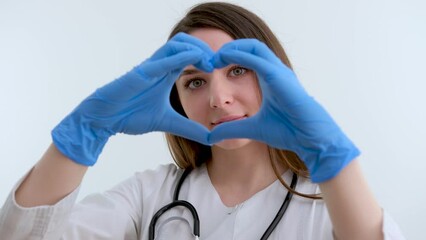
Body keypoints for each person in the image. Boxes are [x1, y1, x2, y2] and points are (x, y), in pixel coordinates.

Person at [0, 2, 405, 239]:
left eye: (236, 71)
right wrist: (85, 131)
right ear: (174, 98)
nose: (217, 98)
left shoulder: (327, 203)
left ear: (276, 75)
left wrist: (332, 157)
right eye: (194, 81)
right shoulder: (149, 194)